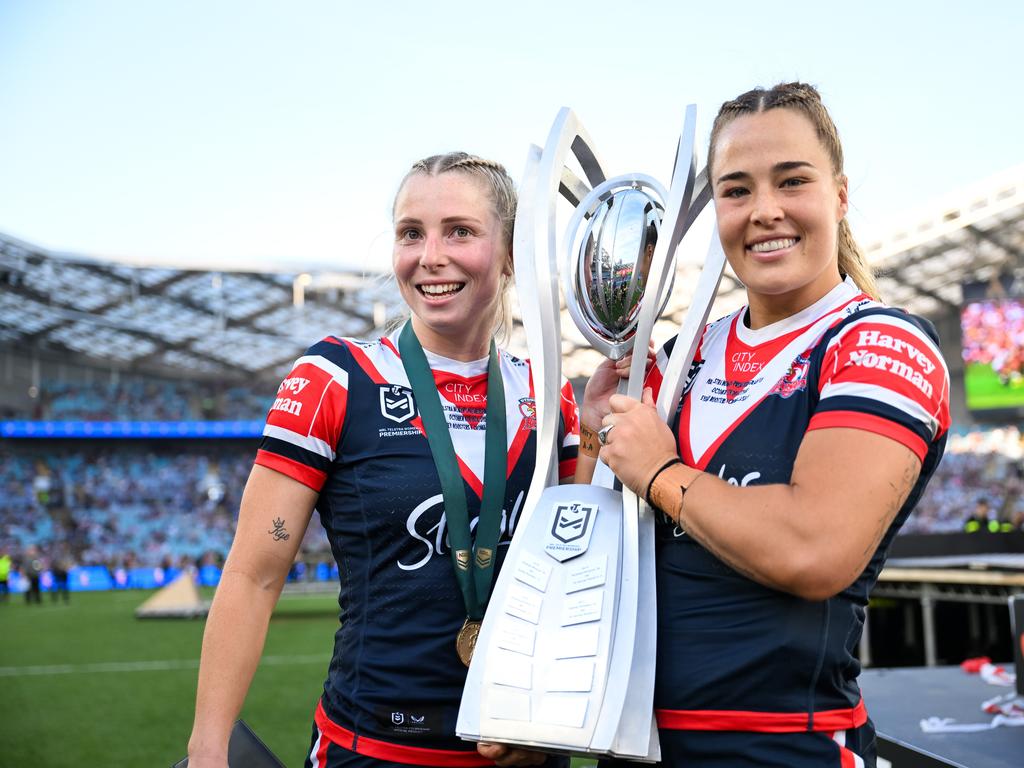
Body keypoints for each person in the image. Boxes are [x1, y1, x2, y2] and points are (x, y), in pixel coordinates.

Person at [579, 83, 951, 767]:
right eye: (737, 190)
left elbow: (814, 550)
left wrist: (663, 474)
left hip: (781, 750)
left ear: (839, 196)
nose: (765, 211)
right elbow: (595, 551)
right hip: (631, 749)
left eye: (791, 181)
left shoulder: (879, 343)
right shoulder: (676, 357)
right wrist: (591, 438)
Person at [187, 152, 580, 768]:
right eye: (410, 233)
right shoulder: (335, 376)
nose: (430, 256)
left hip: (523, 752)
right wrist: (209, 748)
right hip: (372, 748)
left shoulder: (549, 393)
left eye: (460, 231)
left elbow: (576, 581)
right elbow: (254, 575)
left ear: (509, 254)